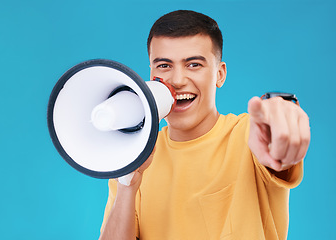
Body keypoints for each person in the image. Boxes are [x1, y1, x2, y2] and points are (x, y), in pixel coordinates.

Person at [98, 10, 310, 240]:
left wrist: (280, 124)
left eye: (194, 64)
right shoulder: (136, 155)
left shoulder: (248, 135)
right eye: (164, 66)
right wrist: (128, 185)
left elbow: (274, 141)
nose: (177, 80)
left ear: (220, 75)